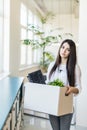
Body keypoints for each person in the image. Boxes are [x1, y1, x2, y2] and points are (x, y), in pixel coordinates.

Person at [46, 39, 81, 130]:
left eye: (68, 49)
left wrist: (72, 89)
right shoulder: (52, 65)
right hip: (52, 104)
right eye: (63, 47)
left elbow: (79, 88)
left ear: (71, 52)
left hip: (66, 105)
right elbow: (48, 83)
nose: (64, 51)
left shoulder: (75, 68)